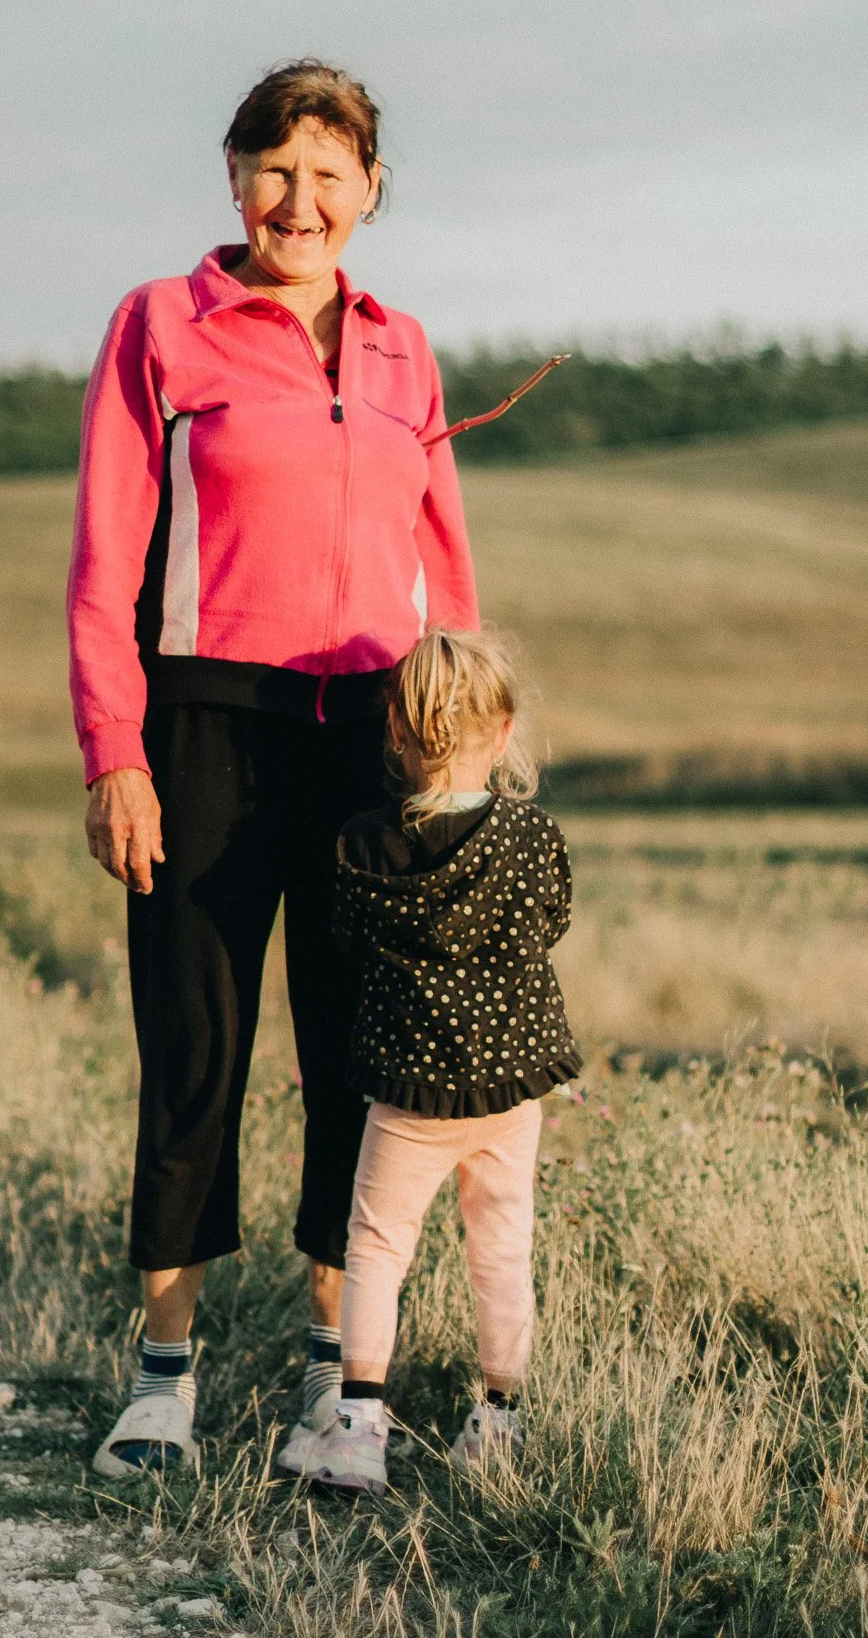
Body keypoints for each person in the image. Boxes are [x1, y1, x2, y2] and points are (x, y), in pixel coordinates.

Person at [66, 60, 480, 1476]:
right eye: (273, 167)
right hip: (205, 727)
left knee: (356, 1060)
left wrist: (459, 760)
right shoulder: (161, 328)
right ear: (233, 177)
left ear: (369, 190)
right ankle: (163, 1378)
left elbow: (446, 573)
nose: (299, 200)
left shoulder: (402, 350)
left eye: (330, 171)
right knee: (193, 1045)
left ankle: (334, 1379)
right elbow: (102, 565)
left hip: (370, 736)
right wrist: (114, 755)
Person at [300, 628, 580, 1494]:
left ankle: (358, 1428)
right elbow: (552, 921)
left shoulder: (361, 843)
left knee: (378, 1247)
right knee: (501, 1248)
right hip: (508, 1084)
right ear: (501, 733)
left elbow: (345, 942)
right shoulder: (531, 838)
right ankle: (497, 1421)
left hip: (408, 1091)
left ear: (393, 734)